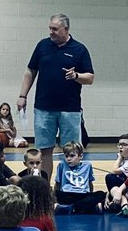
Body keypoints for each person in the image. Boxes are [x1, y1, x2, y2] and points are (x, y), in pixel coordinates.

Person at [17, 13, 95, 179]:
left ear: (66, 29)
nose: (51, 32)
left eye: (55, 29)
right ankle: (44, 186)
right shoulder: (42, 46)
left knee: (71, 151)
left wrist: (76, 76)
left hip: (70, 109)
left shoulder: (79, 50)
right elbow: (30, 71)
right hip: (43, 108)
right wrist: (23, 95)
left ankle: (69, 187)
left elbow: (90, 78)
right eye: (50, 28)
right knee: (44, 150)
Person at [53, 140, 97, 214]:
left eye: (72, 156)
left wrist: (90, 194)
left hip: (81, 194)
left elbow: (90, 183)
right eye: (66, 156)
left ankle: (69, 208)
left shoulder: (87, 165)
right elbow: (58, 183)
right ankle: (85, 208)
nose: (69, 159)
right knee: (57, 195)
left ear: (81, 156)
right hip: (67, 194)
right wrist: (55, 197)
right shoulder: (62, 164)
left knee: (101, 194)